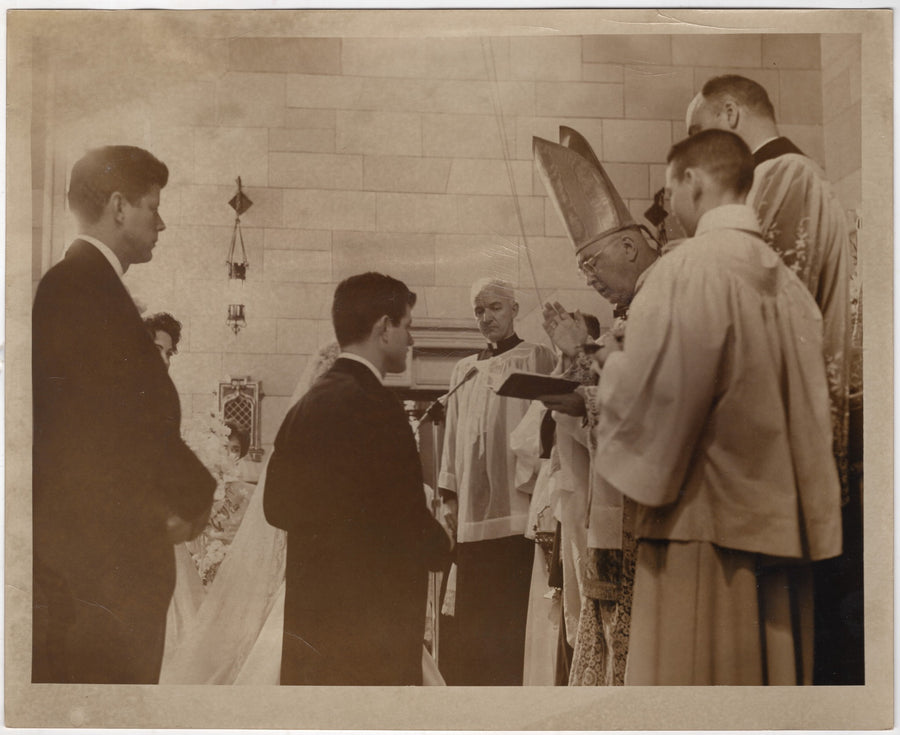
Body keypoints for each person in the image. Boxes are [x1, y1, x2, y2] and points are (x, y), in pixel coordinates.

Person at [588, 129, 842, 685]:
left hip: (701, 530)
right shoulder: (789, 286)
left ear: (692, 181)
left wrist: (612, 366)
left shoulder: (686, 271)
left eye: (668, 190)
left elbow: (665, 404)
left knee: (695, 693)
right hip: (777, 537)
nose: (668, 207)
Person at [686, 74, 860, 684]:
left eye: (696, 132)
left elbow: (759, 310)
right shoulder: (783, 178)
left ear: (729, 113)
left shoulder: (783, 177)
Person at [32, 145, 216, 683]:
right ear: (118, 206)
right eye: (152, 207)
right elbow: (119, 421)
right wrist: (194, 489)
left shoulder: (89, 285)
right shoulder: (79, 286)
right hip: (99, 567)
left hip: (105, 560)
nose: (162, 223)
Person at [263, 273, 453, 685]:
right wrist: (442, 544)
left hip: (313, 624)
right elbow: (405, 518)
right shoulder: (378, 406)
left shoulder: (306, 405)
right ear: (384, 328)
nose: (411, 340)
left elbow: (275, 508)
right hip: (371, 631)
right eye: (408, 326)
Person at [532, 129, 660, 686]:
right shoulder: (633, 310)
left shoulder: (661, 299)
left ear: (629, 246)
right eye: (584, 276)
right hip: (614, 504)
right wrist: (571, 373)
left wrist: (578, 358)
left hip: (645, 509)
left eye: (596, 268)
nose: (594, 284)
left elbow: (643, 406)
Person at [437, 277, 556, 685]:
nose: (486, 318)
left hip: (517, 514)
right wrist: (449, 501)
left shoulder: (536, 357)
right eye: (479, 311)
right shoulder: (464, 370)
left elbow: (547, 426)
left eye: (495, 308)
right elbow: (452, 440)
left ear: (514, 309)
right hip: (472, 514)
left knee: (512, 624)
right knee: (475, 627)